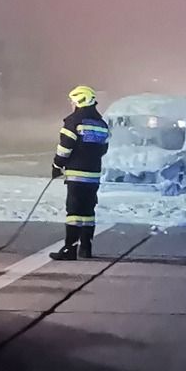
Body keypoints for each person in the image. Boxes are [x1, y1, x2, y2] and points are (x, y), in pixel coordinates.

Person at [50, 85, 110, 260]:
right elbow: (103, 148)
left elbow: (65, 147)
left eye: (72, 100)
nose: (71, 104)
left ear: (79, 100)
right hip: (93, 174)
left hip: (77, 173)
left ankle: (70, 249)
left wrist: (57, 165)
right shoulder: (101, 123)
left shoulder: (74, 122)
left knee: (74, 211)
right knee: (88, 211)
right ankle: (86, 247)